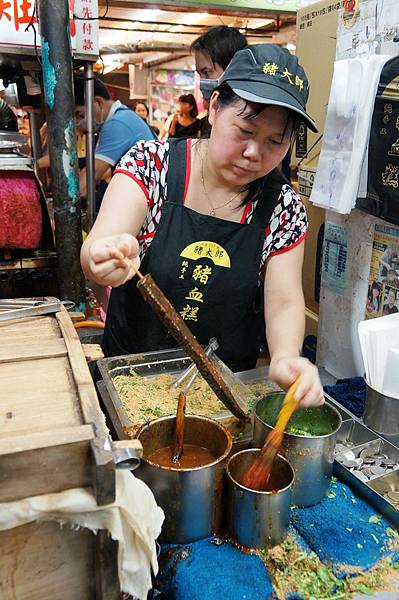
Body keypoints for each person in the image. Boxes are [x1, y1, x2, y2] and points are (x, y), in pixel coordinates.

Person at [81, 44, 323, 408]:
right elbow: (99, 244)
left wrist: (287, 355)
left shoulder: (283, 208)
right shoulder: (152, 165)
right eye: (245, 130)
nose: (255, 153)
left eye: (276, 142)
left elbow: (285, 299)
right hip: (129, 381)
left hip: (220, 396)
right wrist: (102, 257)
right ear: (213, 109)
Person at [73, 77, 156, 198]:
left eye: (81, 115)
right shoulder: (123, 116)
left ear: (98, 102)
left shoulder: (117, 123)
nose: (79, 122)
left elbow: (91, 177)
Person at [191, 26, 248, 138]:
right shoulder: (211, 118)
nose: (202, 82)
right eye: (199, 75)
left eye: (206, 72)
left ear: (233, 69)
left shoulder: (248, 122)